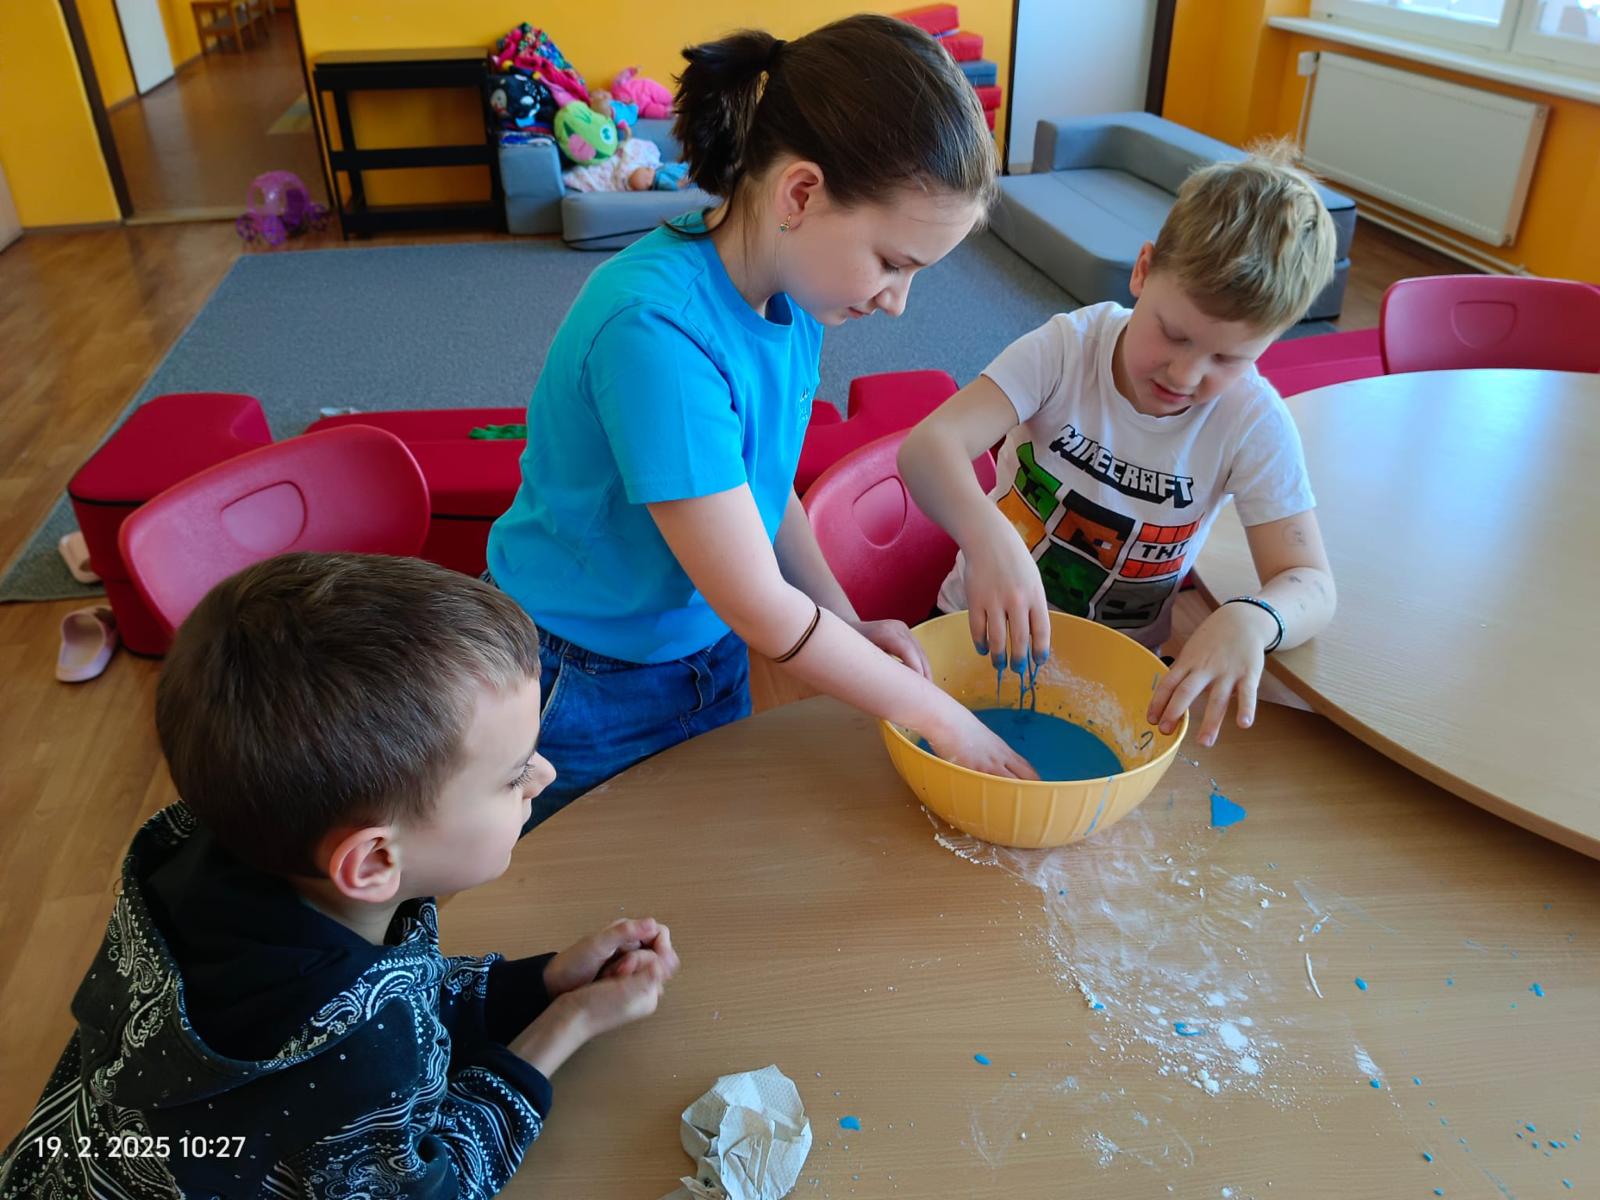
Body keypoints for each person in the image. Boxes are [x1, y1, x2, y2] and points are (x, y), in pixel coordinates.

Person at [487, 13, 1035, 828]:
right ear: (800, 194)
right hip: (580, 674)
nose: (897, 302)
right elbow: (761, 606)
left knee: (706, 852)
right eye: (893, 264)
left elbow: (761, 490)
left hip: (700, 648)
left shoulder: (795, 292)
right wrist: (941, 717)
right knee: (585, 869)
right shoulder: (656, 332)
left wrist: (844, 618)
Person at [0, 553, 677, 1198]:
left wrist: (540, 982)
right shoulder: (361, 1057)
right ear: (374, 861)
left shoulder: (215, 850)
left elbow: (392, 993)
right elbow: (432, 1185)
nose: (545, 775)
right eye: (513, 775)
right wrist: (565, 1026)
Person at [899, 148, 1339, 747]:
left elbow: (1310, 581)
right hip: (977, 631)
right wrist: (989, 538)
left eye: (1228, 358)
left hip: (1114, 668)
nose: (1185, 374)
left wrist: (1256, 619)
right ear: (1143, 271)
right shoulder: (1066, 349)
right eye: (1174, 333)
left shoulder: (1252, 420)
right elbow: (928, 448)